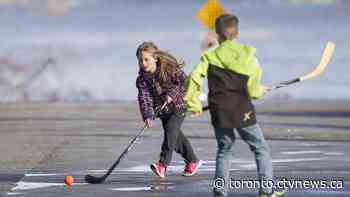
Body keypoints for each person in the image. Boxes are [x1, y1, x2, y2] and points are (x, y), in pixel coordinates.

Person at [185, 14, 285, 197]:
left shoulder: (209, 56)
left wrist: (194, 104)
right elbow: (254, 91)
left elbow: (193, 79)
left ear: (217, 34)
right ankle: (267, 191)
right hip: (242, 109)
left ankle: (220, 192)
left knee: (224, 150)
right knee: (260, 148)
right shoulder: (248, 55)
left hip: (219, 111)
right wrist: (261, 90)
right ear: (237, 33)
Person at [135, 41, 202, 178]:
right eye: (140, 60)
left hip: (179, 105)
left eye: (146, 59)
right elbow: (144, 98)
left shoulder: (168, 68)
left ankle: (163, 164)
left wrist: (172, 95)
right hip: (164, 110)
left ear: (155, 58)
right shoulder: (142, 79)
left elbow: (185, 83)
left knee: (171, 131)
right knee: (175, 138)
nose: (143, 63)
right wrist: (147, 115)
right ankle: (193, 160)